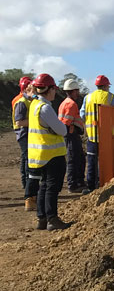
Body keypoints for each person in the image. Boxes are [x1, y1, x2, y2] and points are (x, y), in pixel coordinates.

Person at [28, 74, 69, 231]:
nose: (54, 93)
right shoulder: (45, 108)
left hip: (40, 155)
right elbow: (62, 130)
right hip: (53, 155)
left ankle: (42, 219)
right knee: (52, 188)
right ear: (50, 89)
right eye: (54, 89)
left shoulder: (34, 106)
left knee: (43, 186)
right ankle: (52, 219)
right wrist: (58, 127)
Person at [80, 74, 114, 194]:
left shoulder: (88, 97)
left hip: (91, 136)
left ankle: (92, 187)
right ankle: (105, 184)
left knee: (91, 162)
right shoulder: (109, 96)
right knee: (106, 161)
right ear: (106, 86)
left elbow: (82, 115)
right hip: (105, 136)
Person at [11, 76, 38, 210]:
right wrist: (36, 121)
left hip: (27, 134)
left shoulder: (28, 101)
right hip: (23, 134)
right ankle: (29, 194)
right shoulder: (21, 102)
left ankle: (28, 189)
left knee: (26, 161)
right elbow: (19, 121)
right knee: (28, 162)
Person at [58, 78, 86, 193]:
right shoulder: (71, 104)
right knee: (74, 159)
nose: (78, 93)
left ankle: (78, 182)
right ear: (73, 91)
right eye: (77, 91)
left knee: (79, 158)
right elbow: (66, 122)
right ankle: (73, 184)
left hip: (70, 134)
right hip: (71, 134)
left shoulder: (64, 103)